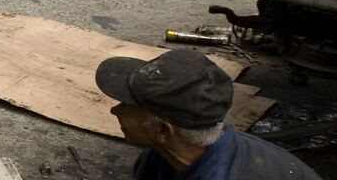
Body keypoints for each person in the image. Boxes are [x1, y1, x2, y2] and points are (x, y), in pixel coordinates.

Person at [96, 49, 323, 179]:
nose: (115, 110)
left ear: (163, 130)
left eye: (126, 106)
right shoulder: (163, 156)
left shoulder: (224, 174)